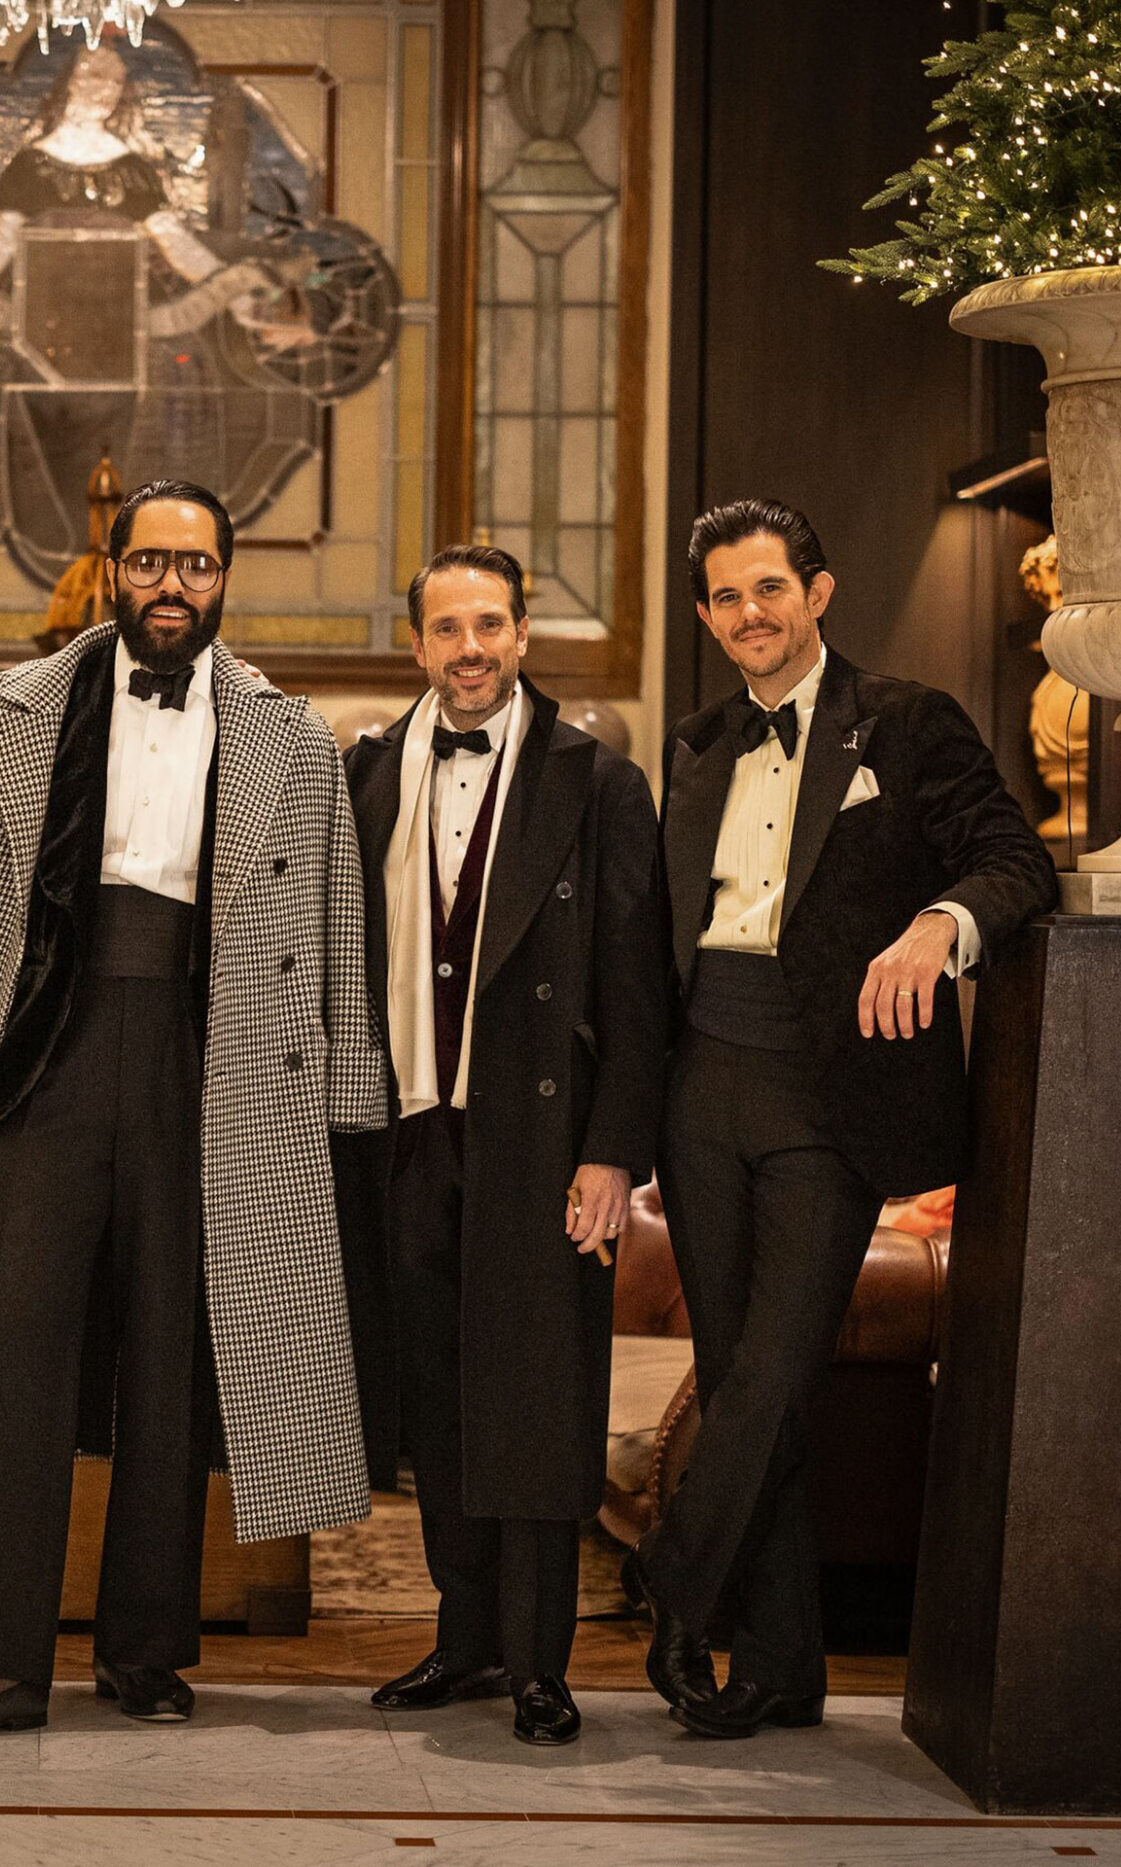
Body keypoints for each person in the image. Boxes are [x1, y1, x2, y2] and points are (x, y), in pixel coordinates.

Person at [0, 478, 388, 1748]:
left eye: (195, 565)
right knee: (12, 1346)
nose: (172, 585)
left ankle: (144, 1650)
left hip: (208, 1053)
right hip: (34, 1044)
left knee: (173, 1350)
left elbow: (335, 921)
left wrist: (347, 1093)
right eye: (150, 561)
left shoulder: (292, 737)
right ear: (113, 568)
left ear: (224, 579)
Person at [637, 498, 1055, 1739]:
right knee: (741, 1377)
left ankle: (675, 1583)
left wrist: (938, 925)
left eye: (768, 587)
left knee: (775, 1366)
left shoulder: (909, 721)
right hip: (700, 1080)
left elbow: (1014, 860)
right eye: (725, 596)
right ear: (705, 614)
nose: (748, 613)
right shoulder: (695, 744)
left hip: (832, 1090)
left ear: (817, 593)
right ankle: (779, 1666)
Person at [340, 545, 668, 1746]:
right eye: (446, 628)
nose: (468, 647)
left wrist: (612, 1150)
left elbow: (637, 984)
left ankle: (538, 1661)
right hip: (406, 1127)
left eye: (489, 624)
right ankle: (466, 1637)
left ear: (523, 635)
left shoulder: (598, 780)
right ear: (417, 644)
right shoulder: (366, 771)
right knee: (435, 1396)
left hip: (542, 1137)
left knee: (536, 1392)